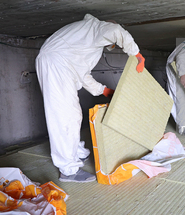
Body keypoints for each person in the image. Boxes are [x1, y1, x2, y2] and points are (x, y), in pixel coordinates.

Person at [35, 14, 145, 182]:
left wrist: (105, 91)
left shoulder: (86, 40)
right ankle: (68, 169)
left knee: (72, 114)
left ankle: (76, 152)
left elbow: (83, 74)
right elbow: (116, 31)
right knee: (65, 115)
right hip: (56, 63)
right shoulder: (96, 28)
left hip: (60, 64)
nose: (112, 46)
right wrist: (137, 55)